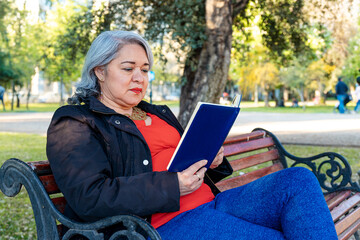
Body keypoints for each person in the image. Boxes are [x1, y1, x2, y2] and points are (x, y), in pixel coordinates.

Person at [46, 30, 337, 240]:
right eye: (128, 68)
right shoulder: (77, 121)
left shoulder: (156, 112)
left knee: (297, 180)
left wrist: (212, 158)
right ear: (99, 71)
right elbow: (90, 197)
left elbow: (185, 157)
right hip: (163, 225)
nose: (140, 77)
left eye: (145, 70)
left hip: (213, 203)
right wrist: (174, 186)